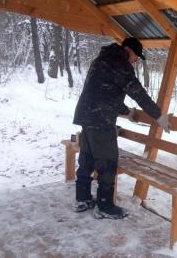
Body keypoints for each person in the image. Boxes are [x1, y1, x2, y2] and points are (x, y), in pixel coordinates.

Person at [73, 37, 171, 220]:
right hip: (101, 121)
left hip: (87, 117)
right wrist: (159, 116)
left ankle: (83, 199)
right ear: (128, 50)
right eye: (135, 56)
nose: (135, 61)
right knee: (108, 162)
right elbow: (138, 93)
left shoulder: (103, 59)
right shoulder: (120, 64)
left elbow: (104, 93)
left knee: (87, 158)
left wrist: (127, 112)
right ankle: (105, 206)